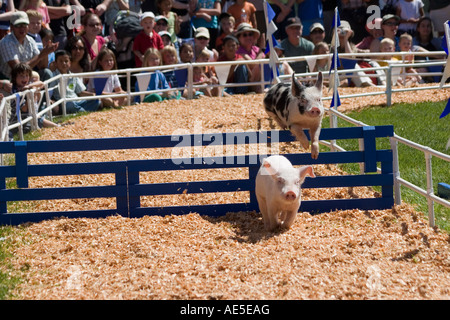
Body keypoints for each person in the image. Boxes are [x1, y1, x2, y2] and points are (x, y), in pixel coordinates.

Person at [0, 11, 58, 79]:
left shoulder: (30, 40)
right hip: (8, 80)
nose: (22, 28)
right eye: (18, 25)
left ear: (28, 26)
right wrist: (40, 56)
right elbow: (18, 70)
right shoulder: (6, 42)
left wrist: (46, 53)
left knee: (46, 72)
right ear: (11, 27)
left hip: (25, 78)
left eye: (24, 25)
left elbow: (42, 66)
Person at [8, 63, 58, 137]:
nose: (25, 78)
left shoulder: (26, 86)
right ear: (15, 77)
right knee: (36, 118)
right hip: (16, 121)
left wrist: (29, 86)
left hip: (26, 117)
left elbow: (41, 83)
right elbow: (24, 109)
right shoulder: (14, 90)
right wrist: (30, 97)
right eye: (21, 76)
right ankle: (57, 126)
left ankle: (57, 126)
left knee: (37, 117)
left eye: (27, 75)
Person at [50, 50, 100, 114]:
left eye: (66, 61)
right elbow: (49, 92)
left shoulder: (73, 76)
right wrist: (50, 100)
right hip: (64, 102)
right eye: (61, 61)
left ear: (70, 63)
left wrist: (93, 95)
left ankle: (80, 111)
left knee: (96, 101)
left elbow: (80, 92)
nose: (64, 63)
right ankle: (84, 112)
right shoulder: (53, 76)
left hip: (77, 101)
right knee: (70, 105)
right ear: (56, 63)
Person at [235, 22, 263, 93]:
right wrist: (262, 50)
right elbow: (254, 64)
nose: (248, 37)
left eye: (250, 34)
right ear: (239, 38)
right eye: (244, 35)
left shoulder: (256, 49)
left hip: (259, 82)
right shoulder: (238, 50)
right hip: (247, 84)